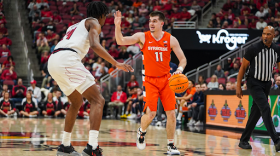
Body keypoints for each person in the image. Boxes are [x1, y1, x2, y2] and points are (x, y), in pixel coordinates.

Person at [47, 2, 133, 156]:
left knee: (76, 102)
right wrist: (115, 63)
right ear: (101, 15)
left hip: (53, 60)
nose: (105, 19)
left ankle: (65, 145)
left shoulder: (74, 26)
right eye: (105, 16)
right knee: (98, 100)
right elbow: (94, 44)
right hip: (67, 59)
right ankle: (92, 147)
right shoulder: (94, 22)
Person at [114, 10, 186, 154]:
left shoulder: (171, 39)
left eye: (154, 21)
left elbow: (183, 59)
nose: (151, 23)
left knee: (171, 114)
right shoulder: (143, 37)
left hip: (167, 80)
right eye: (150, 21)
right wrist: (117, 25)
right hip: (150, 81)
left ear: (161, 23)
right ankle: (141, 132)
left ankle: (171, 145)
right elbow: (120, 41)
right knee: (151, 113)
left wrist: (179, 69)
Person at [236, 26, 280, 151]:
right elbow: (243, 68)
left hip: (266, 84)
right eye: (264, 34)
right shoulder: (253, 48)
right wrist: (238, 86)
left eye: (268, 34)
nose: (265, 36)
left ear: (273, 36)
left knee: (256, 113)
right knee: (265, 108)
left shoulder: (276, 50)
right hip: (253, 82)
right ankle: (277, 140)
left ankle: (244, 140)